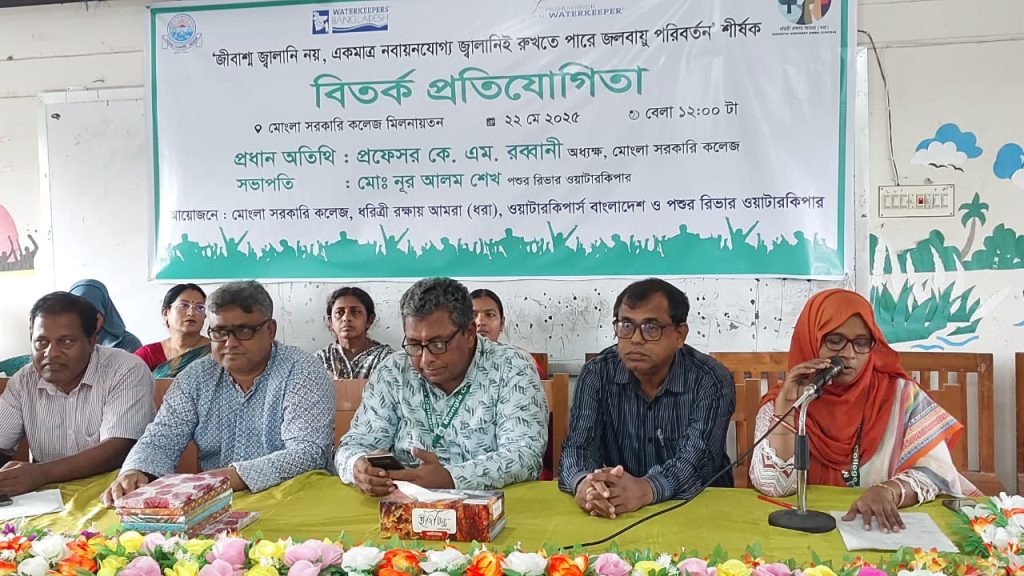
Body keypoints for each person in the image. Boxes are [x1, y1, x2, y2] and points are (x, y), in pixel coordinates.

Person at [750, 288, 981, 533]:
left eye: (861, 343)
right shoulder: (785, 400)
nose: (848, 354)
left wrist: (889, 491)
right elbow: (774, 487)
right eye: (835, 341)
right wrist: (787, 408)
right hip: (803, 530)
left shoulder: (900, 396)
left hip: (877, 528)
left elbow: (936, 473)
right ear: (810, 340)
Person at [101, 281, 334, 505]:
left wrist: (226, 478)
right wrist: (136, 470)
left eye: (243, 330)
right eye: (220, 332)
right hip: (214, 504)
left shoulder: (301, 370)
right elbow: (161, 438)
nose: (230, 343)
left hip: (294, 499)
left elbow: (308, 451)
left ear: (270, 330)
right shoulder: (197, 377)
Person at [335, 277, 548, 493]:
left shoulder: (511, 367)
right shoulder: (393, 371)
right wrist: (357, 467)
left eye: (438, 344)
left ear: (469, 333)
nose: (425, 359)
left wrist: (451, 478)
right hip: (402, 501)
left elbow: (525, 455)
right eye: (414, 344)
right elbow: (353, 445)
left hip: (490, 503)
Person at [559, 278, 735, 518]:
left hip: (696, 509)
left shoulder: (710, 379)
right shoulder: (597, 374)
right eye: (626, 325)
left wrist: (646, 489)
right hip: (618, 508)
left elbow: (697, 460)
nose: (636, 339)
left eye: (651, 327)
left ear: (679, 334)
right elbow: (578, 447)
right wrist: (585, 484)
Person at [0, 292, 153, 495]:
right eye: (41, 342)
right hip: (44, 497)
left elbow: (119, 447)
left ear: (91, 341)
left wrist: (40, 473)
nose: (51, 353)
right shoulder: (24, 381)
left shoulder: (125, 369)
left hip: (115, 492)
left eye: (66, 341)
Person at [134, 284, 212, 378]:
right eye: (183, 305)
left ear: (205, 316)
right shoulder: (148, 354)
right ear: (165, 313)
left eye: (200, 307)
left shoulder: (216, 351)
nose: (191, 313)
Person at [315, 287, 393, 379]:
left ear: (369, 320)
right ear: (330, 322)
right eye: (339, 312)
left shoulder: (387, 359)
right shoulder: (319, 360)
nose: (346, 318)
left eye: (355, 312)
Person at [470, 288, 546, 378]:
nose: (480, 322)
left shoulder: (520, 360)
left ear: (502, 323)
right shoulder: (456, 363)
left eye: (490, 315)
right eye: (473, 315)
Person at [69, 279, 142, 352]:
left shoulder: (128, 344)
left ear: (104, 311)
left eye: (92, 313)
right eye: (79, 314)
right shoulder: (67, 343)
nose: (86, 320)